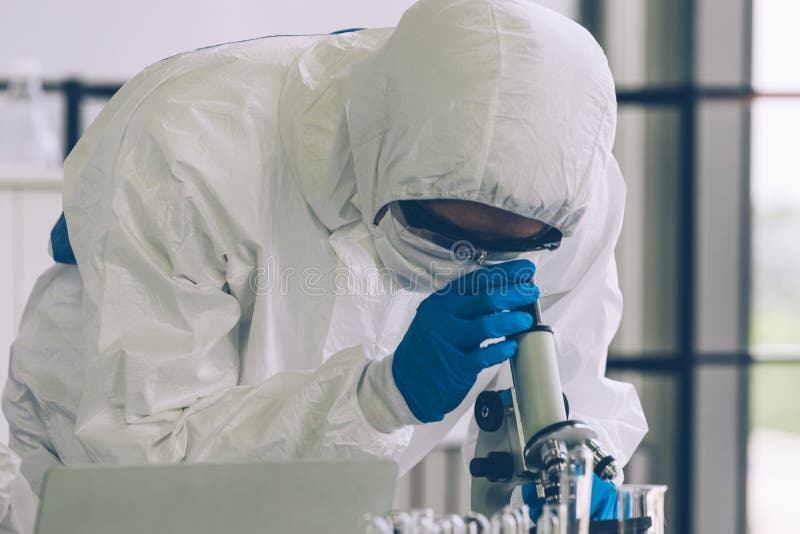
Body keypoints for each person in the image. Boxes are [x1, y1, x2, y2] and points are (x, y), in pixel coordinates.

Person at [3, 0, 647, 523]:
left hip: (332, 496)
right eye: (436, 231)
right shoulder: (188, 147)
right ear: (379, 157)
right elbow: (146, 459)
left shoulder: (566, 194)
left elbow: (571, 382)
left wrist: (581, 464)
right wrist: (383, 396)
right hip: (101, 487)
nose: (465, 264)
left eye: (505, 247)